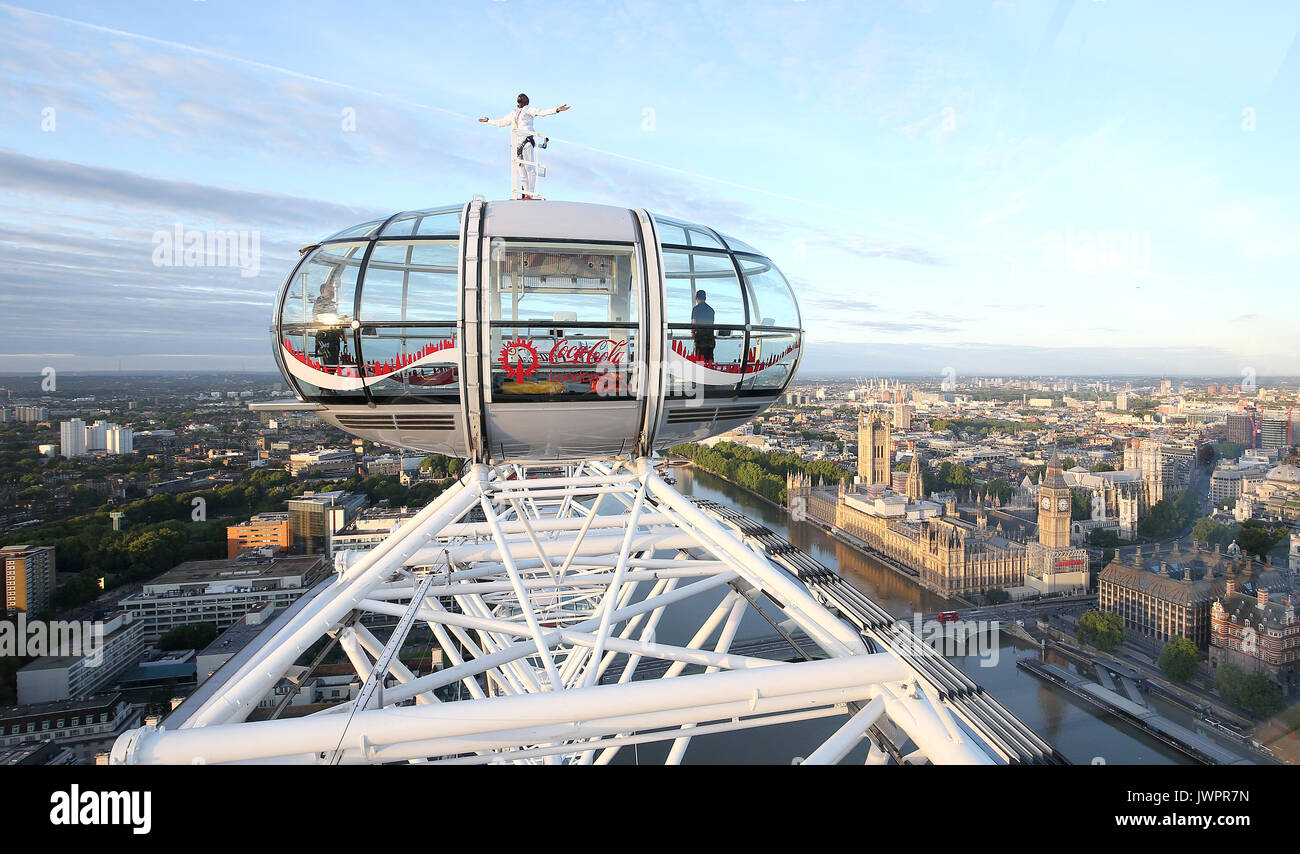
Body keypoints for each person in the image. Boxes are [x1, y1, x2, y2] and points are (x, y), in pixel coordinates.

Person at [479, 93, 571, 198]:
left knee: (529, 167)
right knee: (521, 169)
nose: (521, 96)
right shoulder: (513, 112)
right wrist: (489, 121)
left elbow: (541, 112)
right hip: (516, 143)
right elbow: (502, 122)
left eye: (523, 96)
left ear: (526, 101)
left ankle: (530, 193)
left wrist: (557, 110)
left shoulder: (529, 109)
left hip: (526, 139)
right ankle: (527, 192)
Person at [313, 276, 344, 368]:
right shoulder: (320, 303)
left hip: (332, 336)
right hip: (327, 337)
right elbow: (320, 318)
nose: (332, 293)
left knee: (333, 360)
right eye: (329, 291)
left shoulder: (329, 304)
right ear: (323, 291)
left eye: (333, 291)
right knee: (331, 362)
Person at [690, 289, 715, 362]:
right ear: (705, 298)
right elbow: (711, 323)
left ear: (696, 298)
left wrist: (692, 332)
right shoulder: (711, 310)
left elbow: (693, 322)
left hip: (700, 339)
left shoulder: (696, 309)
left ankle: (700, 373)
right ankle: (710, 372)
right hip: (710, 338)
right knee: (709, 360)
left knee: (700, 361)